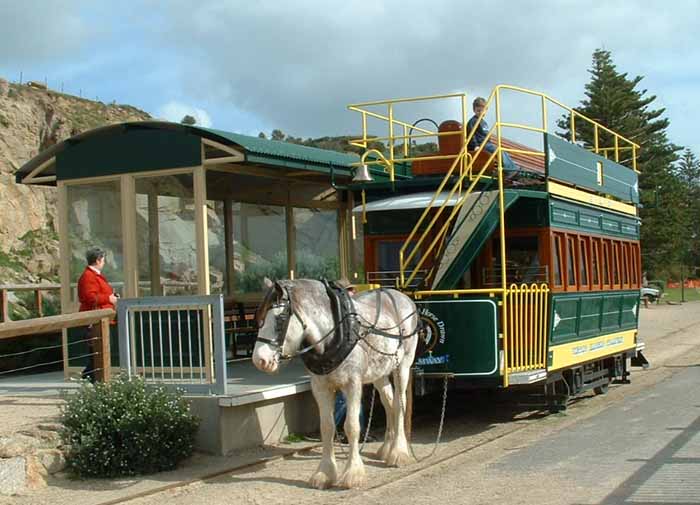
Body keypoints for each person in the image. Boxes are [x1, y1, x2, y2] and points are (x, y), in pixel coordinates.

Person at [77, 247, 118, 382]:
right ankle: (91, 377)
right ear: (98, 260)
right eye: (103, 260)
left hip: (102, 320)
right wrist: (109, 299)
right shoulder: (89, 276)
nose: (104, 262)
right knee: (98, 353)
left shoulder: (92, 276)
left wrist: (110, 297)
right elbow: (89, 297)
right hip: (95, 321)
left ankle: (94, 378)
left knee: (100, 352)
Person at [467, 97, 518, 177]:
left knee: (503, 151)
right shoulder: (473, 121)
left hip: (487, 143)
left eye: (482, 110)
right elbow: (471, 134)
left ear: (486, 110)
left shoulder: (484, 122)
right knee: (498, 151)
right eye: (478, 111)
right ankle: (510, 170)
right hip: (481, 145)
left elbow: (486, 135)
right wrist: (475, 146)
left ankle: (511, 167)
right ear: (474, 110)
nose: (480, 112)